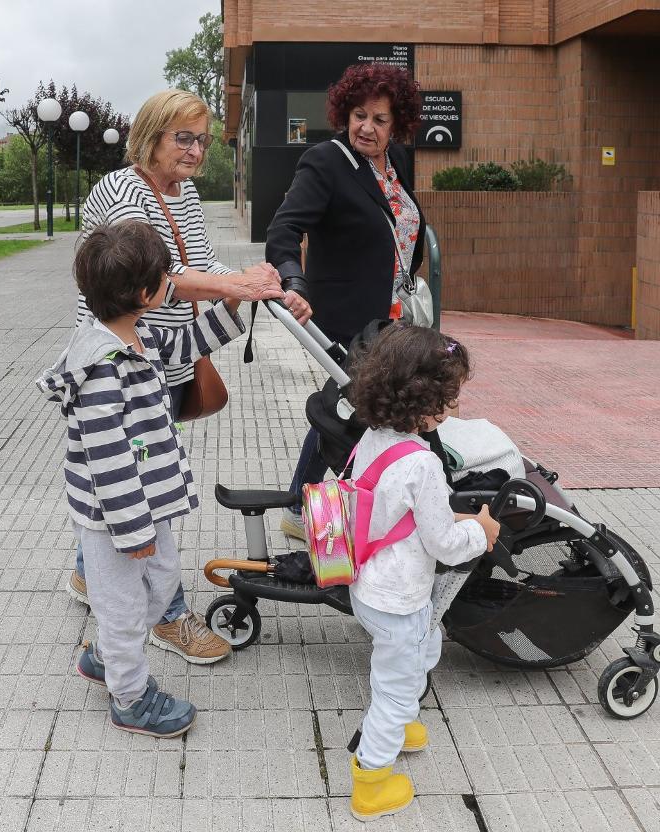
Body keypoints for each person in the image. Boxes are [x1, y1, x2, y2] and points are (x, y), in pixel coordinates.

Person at [70, 89, 285, 665]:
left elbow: (199, 262)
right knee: (141, 486)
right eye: (182, 138)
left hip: (168, 354)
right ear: (151, 135)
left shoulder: (181, 193)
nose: (195, 150)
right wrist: (234, 287)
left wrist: (250, 278)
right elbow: (158, 277)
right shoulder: (122, 191)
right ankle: (165, 615)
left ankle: (90, 571)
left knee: (130, 469)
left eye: (202, 139)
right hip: (125, 359)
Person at [37, 222, 247, 737]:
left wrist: (236, 304)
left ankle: (104, 657)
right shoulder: (104, 369)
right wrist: (134, 533)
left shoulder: (139, 334)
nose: (169, 284)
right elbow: (108, 461)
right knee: (126, 610)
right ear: (147, 293)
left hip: (146, 508)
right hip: (117, 521)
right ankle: (130, 697)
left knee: (160, 590)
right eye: (164, 278)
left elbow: (187, 344)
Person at [343, 324, 501, 821]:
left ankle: (404, 716)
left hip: (365, 583)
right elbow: (447, 545)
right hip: (399, 595)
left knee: (416, 649)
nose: (454, 408)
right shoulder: (423, 464)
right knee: (395, 680)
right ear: (426, 404)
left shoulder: (372, 438)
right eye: (451, 398)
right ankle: (371, 782)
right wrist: (482, 531)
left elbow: (392, 509)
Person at [263, 63, 426, 541]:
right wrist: (293, 281)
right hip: (348, 317)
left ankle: (313, 506)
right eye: (359, 115)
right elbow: (284, 228)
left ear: (397, 124)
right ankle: (317, 512)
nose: (366, 128)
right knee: (356, 406)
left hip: (393, 313)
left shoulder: (397, 161)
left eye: (379, 119)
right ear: (344, 114)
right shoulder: (326, 161)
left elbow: (401, 226)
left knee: (356, 407)